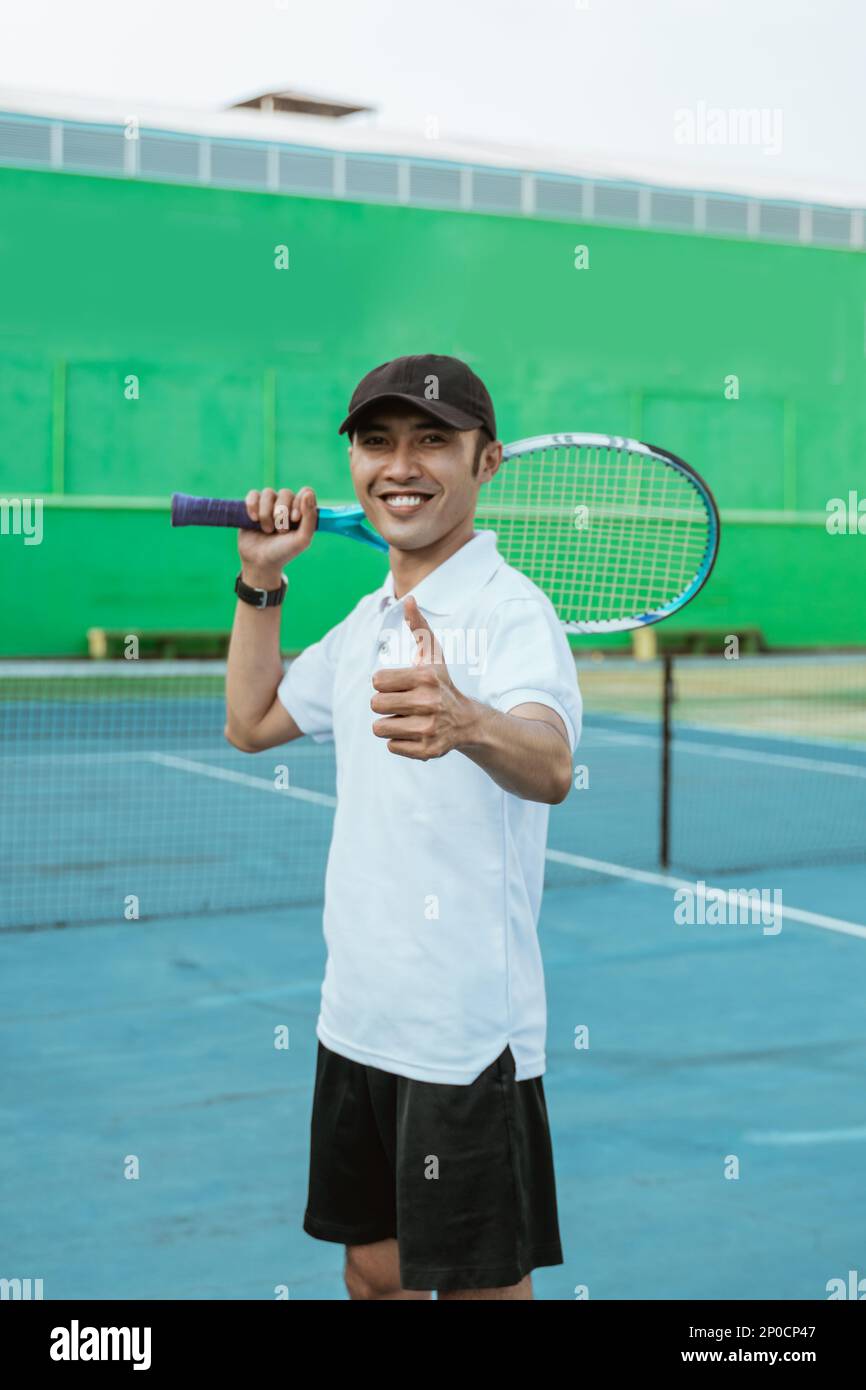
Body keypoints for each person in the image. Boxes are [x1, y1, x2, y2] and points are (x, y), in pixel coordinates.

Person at [225, 354, 581, 1300]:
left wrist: (467, 720)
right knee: (373, 1274)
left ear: (487, 462)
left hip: (465, 1038)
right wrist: (261, 580)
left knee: (479, 1287)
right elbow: (252, 723)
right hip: (357, 1018)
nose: (401, 465)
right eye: (377, 442)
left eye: (434, 440)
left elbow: (550, 764)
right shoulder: (369, 617)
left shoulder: (513, 615)